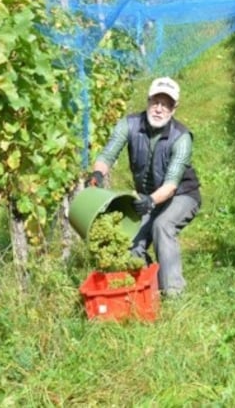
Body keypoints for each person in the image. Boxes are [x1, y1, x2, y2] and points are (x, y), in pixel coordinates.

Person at [85, 77, 201, 297]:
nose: (159, 109)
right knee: (129, 239)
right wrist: (98, 173)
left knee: (162, 226)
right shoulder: (129, 124)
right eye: (155, 102)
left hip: (182, 195)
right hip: (148, 195)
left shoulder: (181, 138)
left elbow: (171, 185)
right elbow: (108, 154)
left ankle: (174, 292)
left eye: (166, 104)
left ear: (174, 108)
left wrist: (150, 201)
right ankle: (149, 288)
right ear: (148, 101)